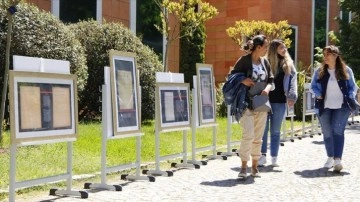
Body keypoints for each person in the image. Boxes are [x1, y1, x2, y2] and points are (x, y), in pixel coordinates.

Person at [231, 35, 274, 179]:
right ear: (258, 47)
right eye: (266, 46)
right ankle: (243, 167)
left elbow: (271, 80)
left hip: (261, 102)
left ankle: (254, 167)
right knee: (248, 134)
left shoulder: (265, 63)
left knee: (258, 137)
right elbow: (232, 77)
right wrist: (244, 80)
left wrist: (267, 88)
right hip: (246, 103)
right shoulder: (244, 61)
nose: (267, 49)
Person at [310, 45, 359, 172]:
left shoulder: (345, 70)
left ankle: (338, 159)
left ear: (335, 56)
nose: (325, 57)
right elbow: (313, 86)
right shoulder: (319, 71)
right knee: (327, 132)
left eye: (327, 54)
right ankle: (330, 156)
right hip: (324, 106)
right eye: (324, 54)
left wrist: (351, 95)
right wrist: (318, 94)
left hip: (342, 106)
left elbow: (354, 87)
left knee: (338, 130)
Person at [258, 39, 298, 167]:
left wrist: (292, 96)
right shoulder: (264, 63)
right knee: (263, 130)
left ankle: (274, 156)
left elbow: (293, 83)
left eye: (285, 47)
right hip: (265, 100)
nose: (285, 50)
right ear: (275, 49)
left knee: (275, 131)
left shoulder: (288, 65)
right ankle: (262, 156)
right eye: (282, 47)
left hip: (280, 102)